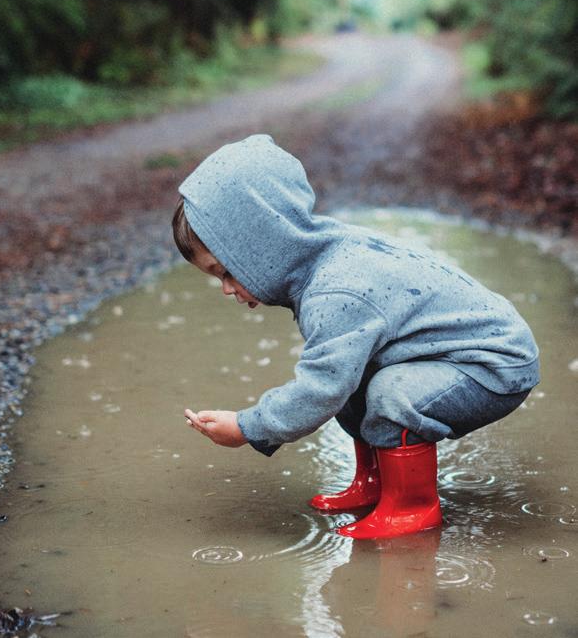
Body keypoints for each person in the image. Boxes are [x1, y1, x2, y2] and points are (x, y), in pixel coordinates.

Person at [174, 135, 539, 539]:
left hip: (493, 363)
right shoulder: (319, 258)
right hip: (451, 355)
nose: (226, 289)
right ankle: (375, 483)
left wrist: (248, 426)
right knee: (357, 376)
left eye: (226, 271)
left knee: (390, 391)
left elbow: (320, 390)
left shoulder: (335, 291)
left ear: (262, 246)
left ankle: (411, 507)